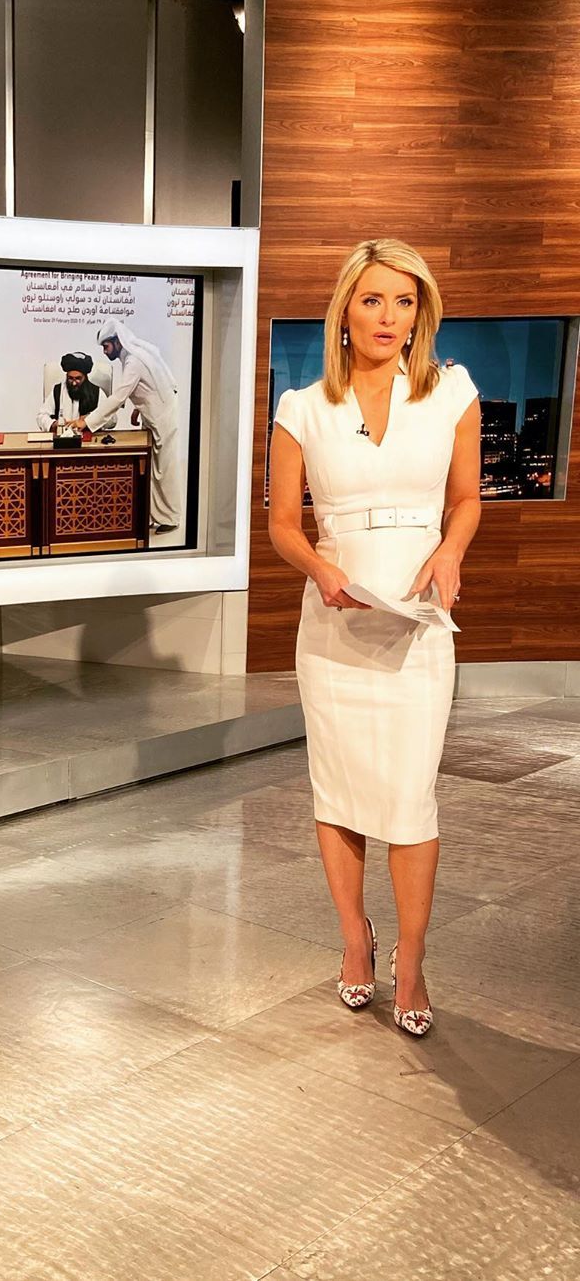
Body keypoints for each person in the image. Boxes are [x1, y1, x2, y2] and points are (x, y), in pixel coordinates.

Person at [268, 238, 481, 1038]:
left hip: (419, 625)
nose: (389, 316)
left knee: (409, 797)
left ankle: (413, 959)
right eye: (372, 300)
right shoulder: (302, 408)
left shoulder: (452, 392)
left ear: (420, 313)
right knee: (339, 790)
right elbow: (282, 525)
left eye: (404, 301)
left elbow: (466, 500)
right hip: (335, 623)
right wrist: (321, 571)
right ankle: (355, 938)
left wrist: (450, 553)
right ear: (345, 313)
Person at [69, 319, 181, 531]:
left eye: (106, 346)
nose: (104, 351)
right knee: (152, 467)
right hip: (155, 414)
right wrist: (139, 407)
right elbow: (151, 384)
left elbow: (119, 397)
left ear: (117, 341)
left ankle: (170, 518)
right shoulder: (132, 356)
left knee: (164, 469)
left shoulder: (134, 361)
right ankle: (153, 515)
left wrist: (86, 421)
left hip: (162, 417)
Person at [36, 351, 115, 433]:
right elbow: (41, 416)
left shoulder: (97, 392)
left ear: (85, 377)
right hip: (62, 438)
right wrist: (53, 424)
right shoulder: (57, 391)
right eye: (70, 378)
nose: (74, 383)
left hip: (89, 440)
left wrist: (89, 420)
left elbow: (112, 420)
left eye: (78, 378)